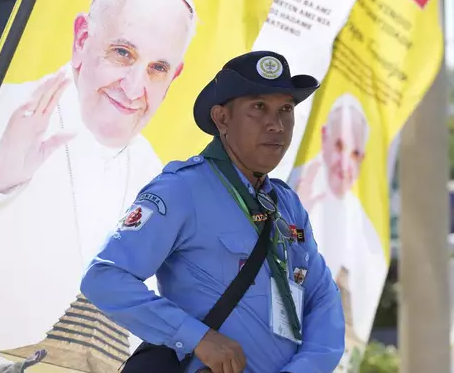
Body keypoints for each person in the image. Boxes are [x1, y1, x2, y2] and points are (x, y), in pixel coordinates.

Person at [80, 50, 346, 373]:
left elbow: (322, 299)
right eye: (258, 107)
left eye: (285, 109)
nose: (276, 125)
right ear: (222, 119)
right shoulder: (181, 190)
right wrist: (197, 337)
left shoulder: (287, 205)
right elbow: (104, 277)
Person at [0, 0, 197, 357]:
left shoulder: (165, 184)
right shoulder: (3, 105)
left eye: (157, 68)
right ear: (81, 39)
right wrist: (1, 183)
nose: (135, 88)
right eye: (122, 52)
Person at [288, 92, 386, 351]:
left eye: (355, 154)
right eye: (340, 146)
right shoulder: (290, 187)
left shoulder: (363, 223)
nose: (345, 164)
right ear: (323, 138)